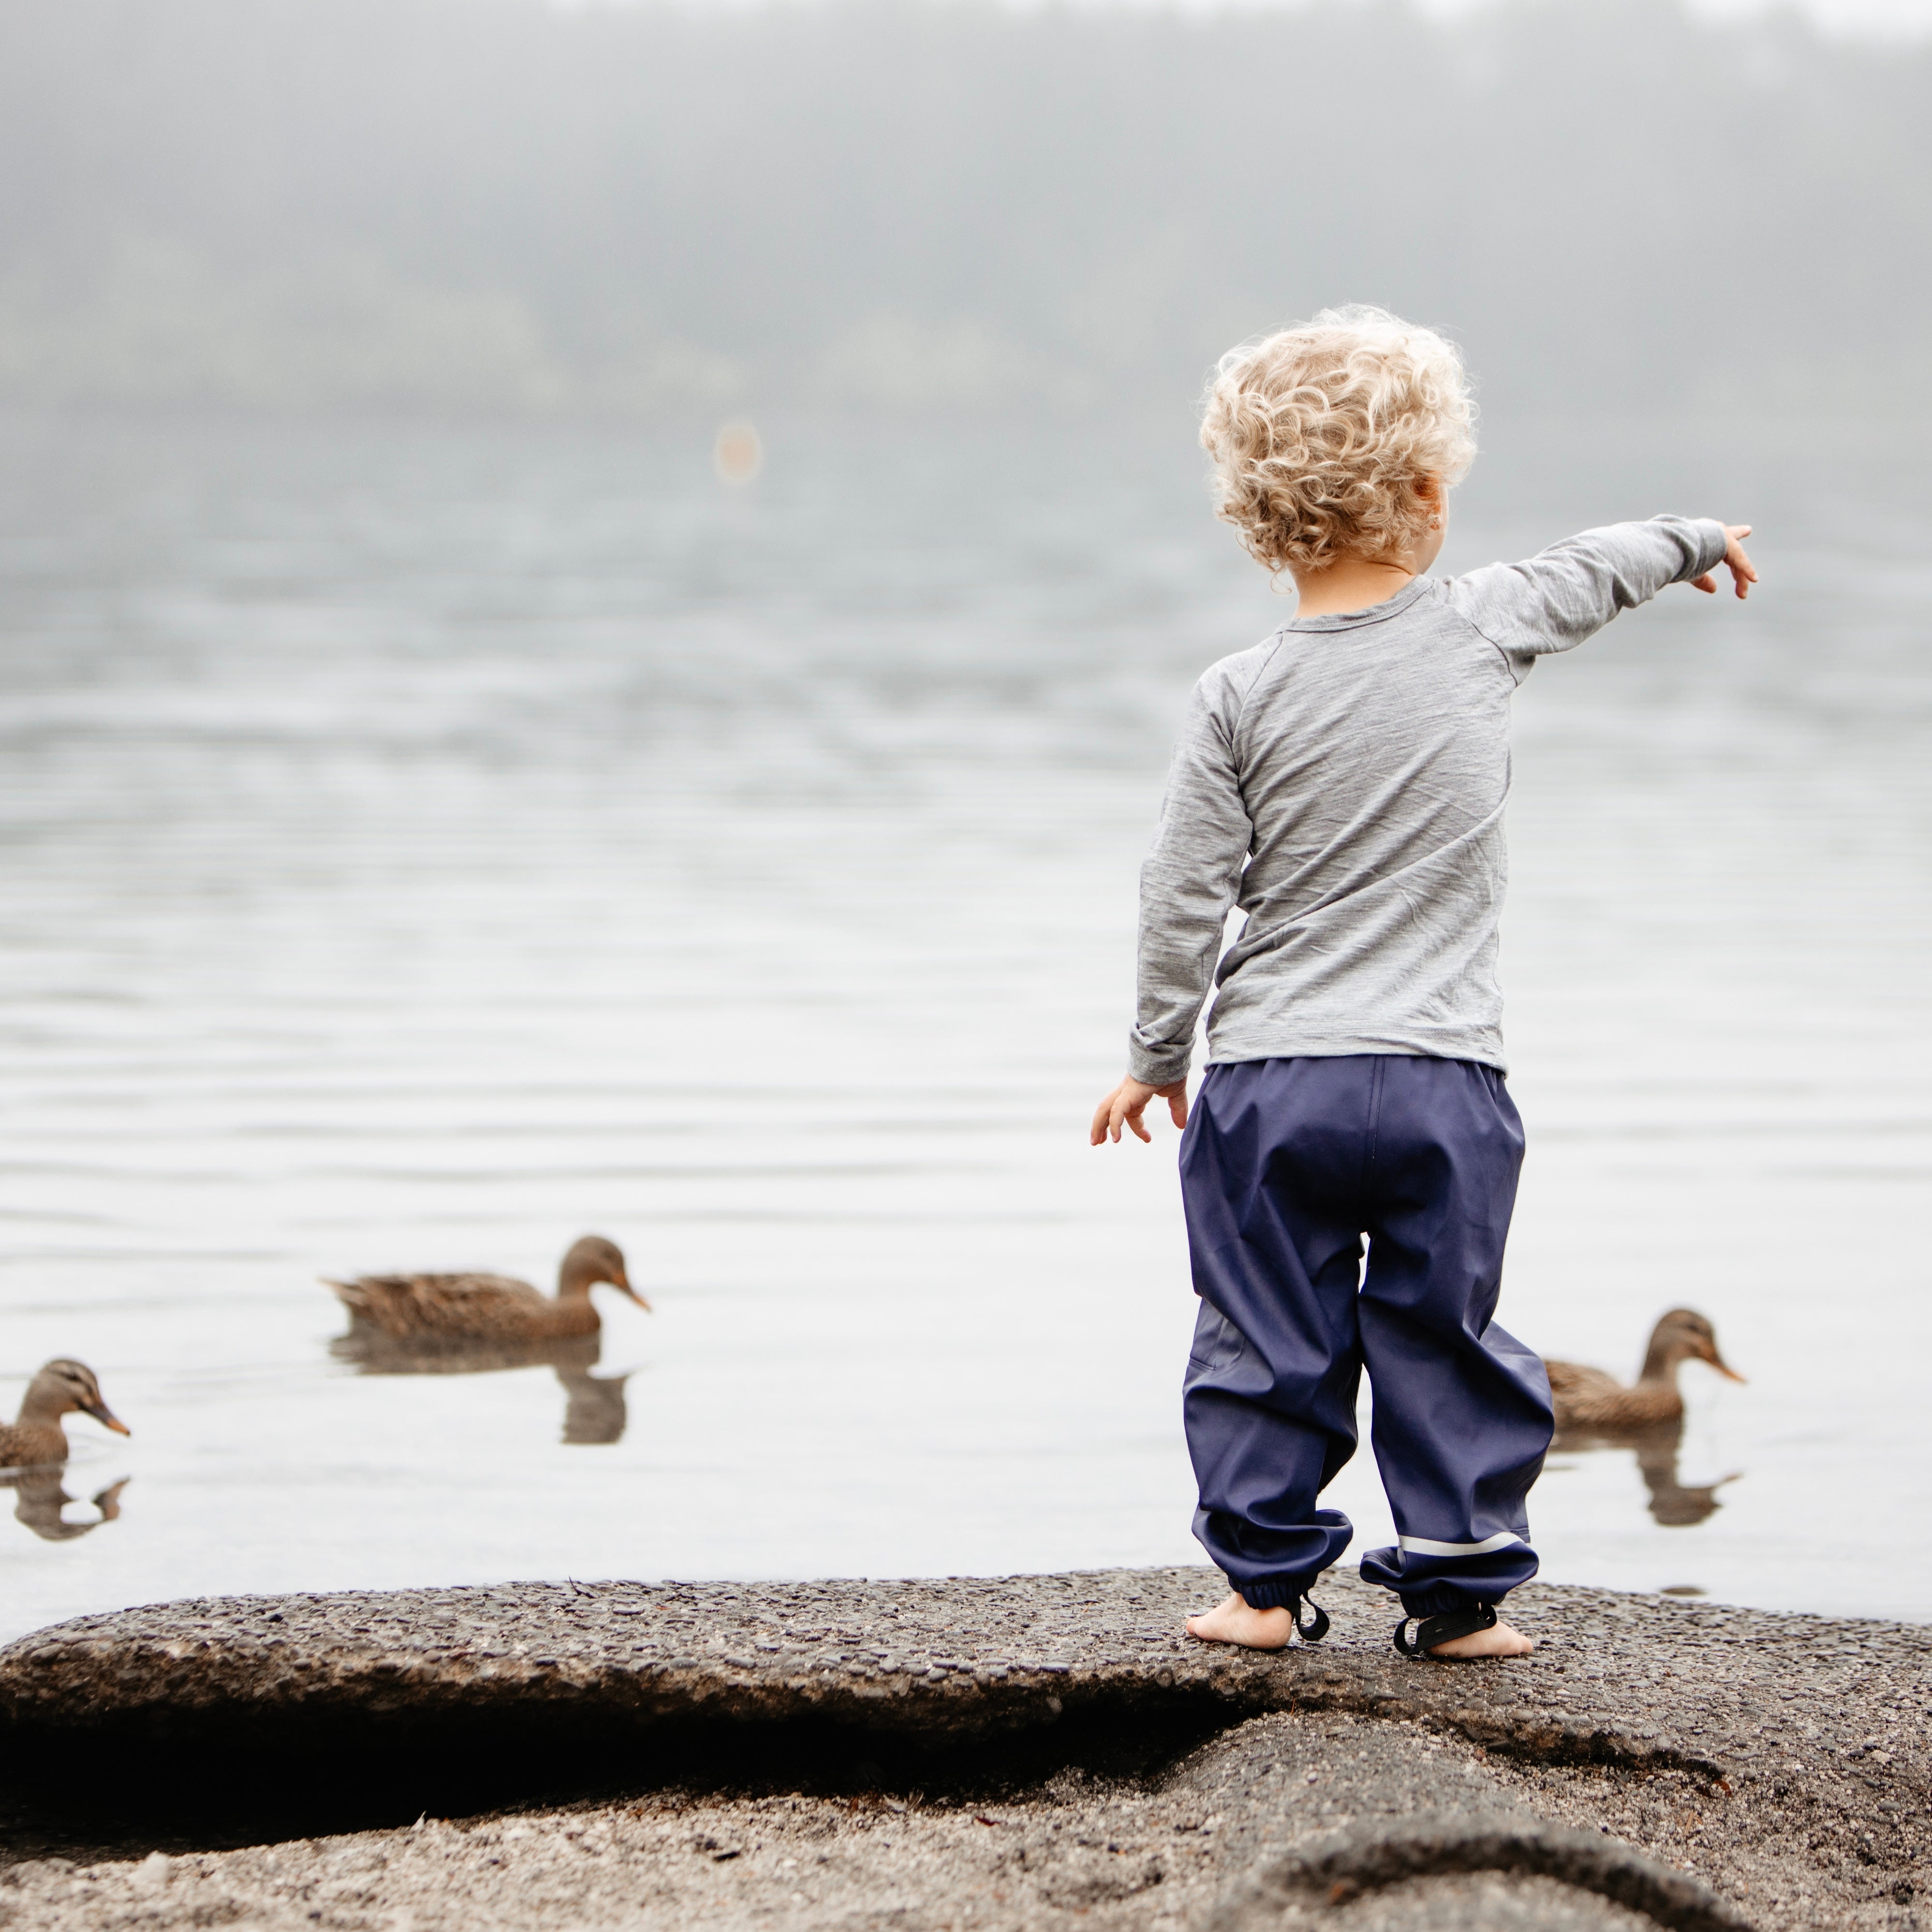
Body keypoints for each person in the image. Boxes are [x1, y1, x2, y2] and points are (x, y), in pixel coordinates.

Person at [1090, 307, 1756, 1661]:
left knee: (1262, 1330)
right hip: (1445, 1081)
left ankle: (1261, 1590)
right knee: (1438, 1329)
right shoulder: (1480, 623)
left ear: (1260, 521)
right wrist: (1697, 539)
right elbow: (1597, 563)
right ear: (1429, 493)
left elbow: (1180, 895)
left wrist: (1156, 1054)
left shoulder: (1234, 692)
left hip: (1274, 1082)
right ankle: (1457, 1600)